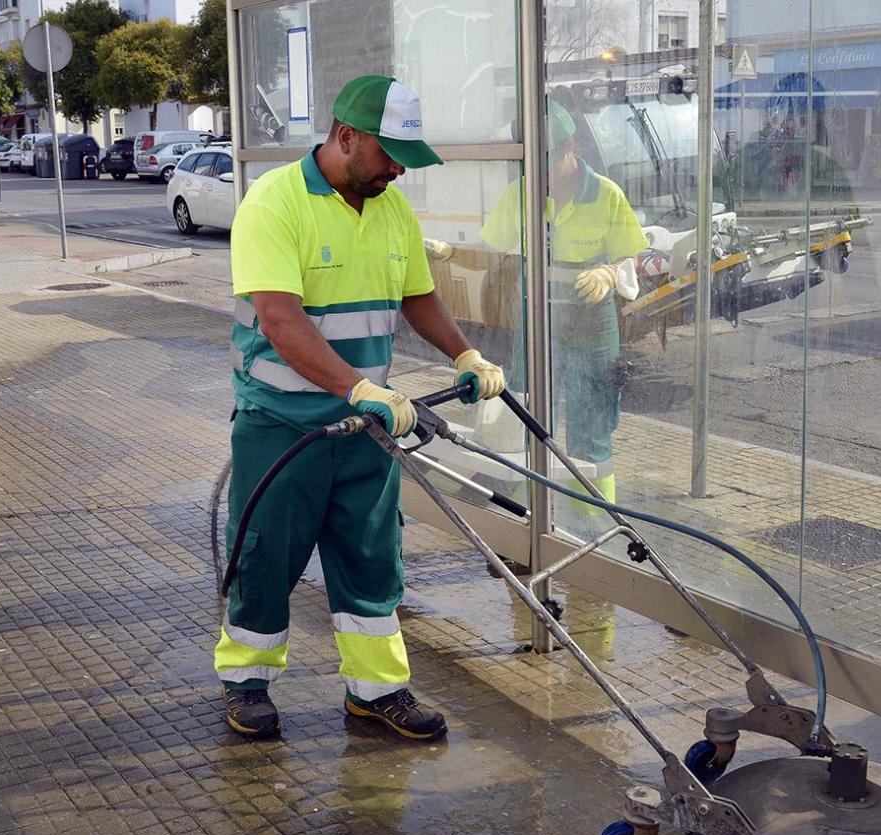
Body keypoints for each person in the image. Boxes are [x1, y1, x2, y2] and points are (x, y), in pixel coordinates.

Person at [218, 75, 506, 741]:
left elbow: (418, 295)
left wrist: (465, 357)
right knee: (265, 560)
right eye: (390, 153)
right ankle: (247, 680)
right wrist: (361, 388)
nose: (400, 169)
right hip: (282, 428)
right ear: (347, 137)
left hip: (366, 429)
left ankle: (376, 692)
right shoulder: (274, 204)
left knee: (373, 561)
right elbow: (282, 322)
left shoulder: (390, 210)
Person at [426, 97, 647, 519]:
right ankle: (528, 523)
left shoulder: (605, 195)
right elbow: (493, 252)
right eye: (529, 159)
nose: (538, 170)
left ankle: (596, 528)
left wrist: (607, 274)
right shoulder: (522, 193)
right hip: (537, 327)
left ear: (571, 145)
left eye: (545, 158)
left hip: (591, 329)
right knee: (526, 425)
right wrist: (453, 251)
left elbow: (630, 258)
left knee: (592, 434)